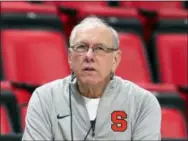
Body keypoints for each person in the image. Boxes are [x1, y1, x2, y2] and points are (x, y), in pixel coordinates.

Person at [22, 16, 161, 141]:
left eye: (100, 48)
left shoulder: (142, 103)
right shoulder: (45, 99)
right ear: (70, 57)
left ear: (115, 59)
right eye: (81, 47)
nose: (89, 56)